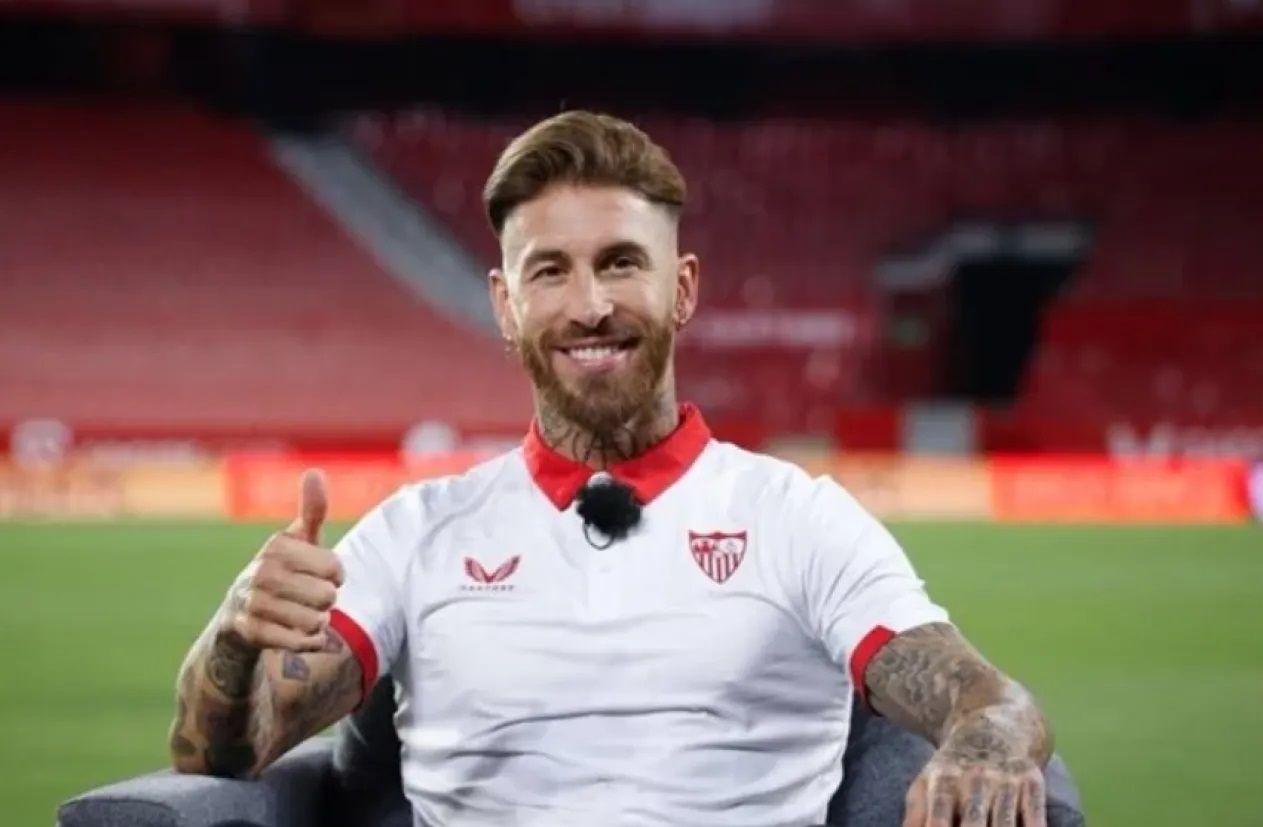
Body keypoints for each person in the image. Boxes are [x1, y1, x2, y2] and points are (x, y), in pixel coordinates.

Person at [168, 111, 1055, 827]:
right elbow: (221, 751)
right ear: (506, 305)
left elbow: (992, 699)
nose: (590, 305)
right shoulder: (415, 532)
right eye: (550, 272)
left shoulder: (798, 519)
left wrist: (987, 743)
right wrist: (237, 633)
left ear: (683, 287)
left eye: (621, 263)